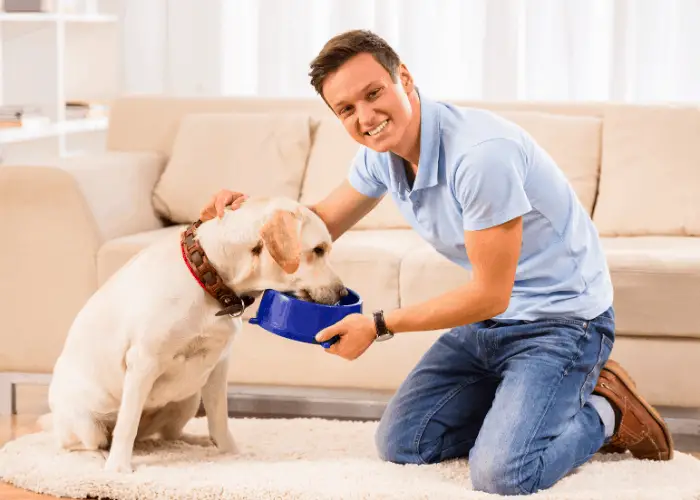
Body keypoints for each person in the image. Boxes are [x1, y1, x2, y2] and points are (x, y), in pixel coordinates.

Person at [199, 29, 673, 496]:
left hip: (563, 322)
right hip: (493, 323)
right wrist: (246, 216)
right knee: (403, 442)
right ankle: (522, 408)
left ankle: (606, 411)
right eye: (347, 109)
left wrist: (378, 325)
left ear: (403, 77)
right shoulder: (380, 157)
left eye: (373, 93)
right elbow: (314, 227)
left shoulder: (480, 157)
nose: (366, 116)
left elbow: (490, 292)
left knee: (505, 475)